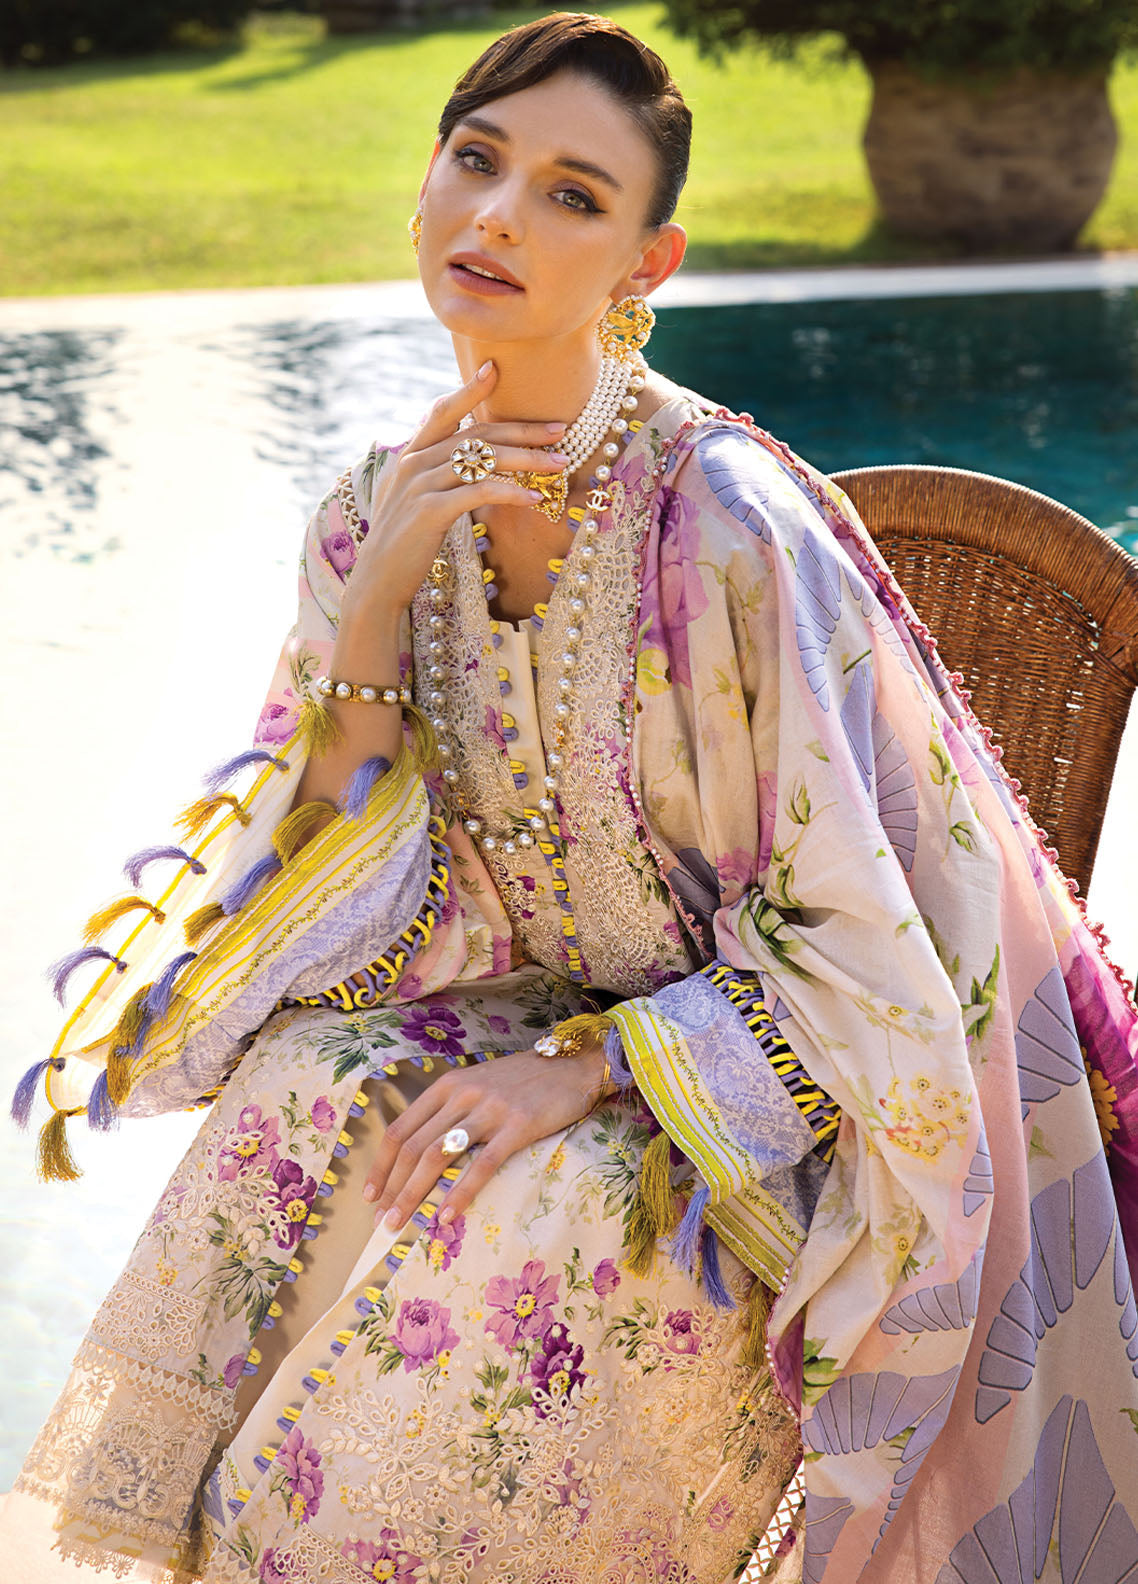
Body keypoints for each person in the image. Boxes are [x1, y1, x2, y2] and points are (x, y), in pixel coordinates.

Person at [7, 12, 1138, 1583]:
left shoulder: (717, 523)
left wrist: (592, 1069)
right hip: (560, 1011)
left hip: (806, 1092)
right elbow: (324, 897)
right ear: (422, 183)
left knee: (565, 1196)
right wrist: (379, 604)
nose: (497, 217)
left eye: (570, 196)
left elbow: (867, 949)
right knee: (311, 1083)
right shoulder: (365, 516)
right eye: (475, 162)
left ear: (644, 263)